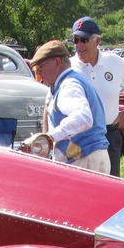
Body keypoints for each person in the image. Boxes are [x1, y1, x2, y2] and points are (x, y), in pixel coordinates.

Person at [68, 17, 124, 177]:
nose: (79, 45)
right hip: (77, 136)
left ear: (97, 40)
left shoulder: (114, 62)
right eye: (75, 40)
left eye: (84, 40)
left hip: (108, 134)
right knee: (78, 183)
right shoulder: (69, 67)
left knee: (110, 183)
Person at [29, 40, 110, 174]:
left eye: (40, 68)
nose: (39, 74)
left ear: (56, 62)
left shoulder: (69, 85)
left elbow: (83, 117)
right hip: (86, 158)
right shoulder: (64, 83)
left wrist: (50, 137)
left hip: (85, 160)